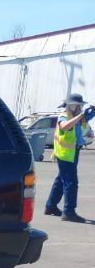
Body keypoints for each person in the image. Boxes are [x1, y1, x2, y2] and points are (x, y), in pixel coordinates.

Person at [44, 93, 93, 222]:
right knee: (71, 183)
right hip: (65, 154)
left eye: (81, 106)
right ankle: (69, 212)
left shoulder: (76, 117)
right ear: (71, 106)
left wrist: (87, 119)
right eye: (78, 105)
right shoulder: (64, 116)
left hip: (72, 153)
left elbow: (86, 131)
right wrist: (81, 116)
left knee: (61, 180)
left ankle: (50, 206)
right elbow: (65, 126)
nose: (79, 108)